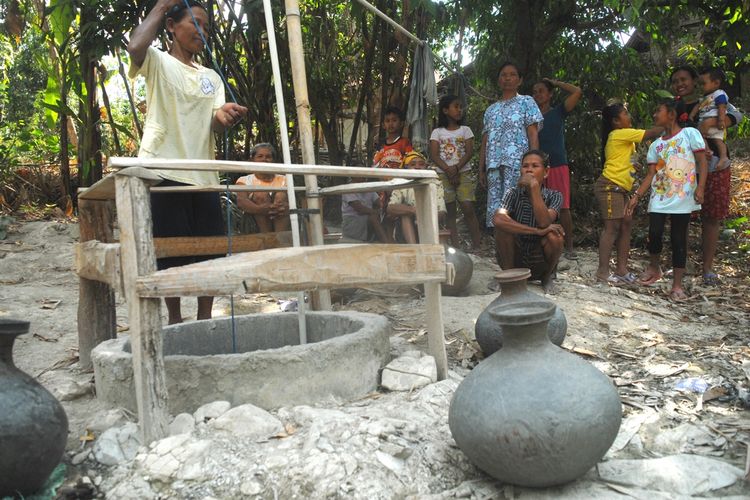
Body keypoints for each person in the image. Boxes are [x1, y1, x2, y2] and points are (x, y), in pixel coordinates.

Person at [128, 0, 248, 324]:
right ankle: (175, 321)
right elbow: (136, 44)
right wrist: (162, 5)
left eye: (206, 27)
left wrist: (226, 116)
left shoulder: (211, 77)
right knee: (171, 252)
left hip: (204, 175)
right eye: (195, 23)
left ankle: (204, 321)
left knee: (210, 250)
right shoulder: (156, 61)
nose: (201, 31)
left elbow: (215, 120)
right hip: (164, 171)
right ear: (171, 26)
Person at [626, 99, 707, 301]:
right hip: (660, 196)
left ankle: (677, 285)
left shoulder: (690, 134)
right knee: (654, 233)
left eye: (658, 110)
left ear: (671, 114)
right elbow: (651, 174)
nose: (654, 115)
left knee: (678, 239)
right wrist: (637, 196)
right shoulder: (656, 145)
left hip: (683, 196)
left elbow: (702, 162)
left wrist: (701, 187)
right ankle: (654, 267)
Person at [670, 65, 743, 286]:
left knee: (712, 216)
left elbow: (736, 115)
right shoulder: (673, 106)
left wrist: (714, 121)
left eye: (684, 79)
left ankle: (708, 268)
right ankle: (679, 265)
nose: (679, 84)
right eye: (675, 81)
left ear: (696, 81)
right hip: (684, 166)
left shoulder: (712, 100)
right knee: (680, 216)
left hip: (714, 165)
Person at [479, 61, 543, 265]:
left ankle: (522, 262)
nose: (507, 78)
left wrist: (534, 165)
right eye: (504, 75)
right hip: (494, 167)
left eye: (512, 74)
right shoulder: (491, 110)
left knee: (515, 211)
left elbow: (532, 133)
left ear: (520, 80)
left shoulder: (526, 102)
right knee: (497, 214)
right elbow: (485, 140)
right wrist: (481, 167)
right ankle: (504, 263)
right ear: (499, 80)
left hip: (517, 164)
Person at [595, 102, 661, 284]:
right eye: (625, 113)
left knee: (625, 226)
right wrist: (670, 122)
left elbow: (623, 160)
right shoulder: (619, 134)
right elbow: (651, 134)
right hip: (610, 185)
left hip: (621, 187)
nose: (629, 115)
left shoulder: (624, 138)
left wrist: (633, 166)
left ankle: (622, 270)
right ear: (616, 121)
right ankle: (602, 272)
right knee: (611, 228)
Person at [492, 150, 564, 294]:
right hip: (515, 257)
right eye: (525, 166)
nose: (529, 169)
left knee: (555, 235)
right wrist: (536, 231)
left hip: (540, 259)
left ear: (546, 172)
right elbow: (498, 219)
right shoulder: (512, 193)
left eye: (535, 166)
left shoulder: (554, 195)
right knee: (502, 229)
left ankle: (546, 278)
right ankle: (508, 276)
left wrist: (534, 189)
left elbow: (544, 222)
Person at [532, 78, 582, 258]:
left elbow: (576, 91)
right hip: (537, 166)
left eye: (542, 91)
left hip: (558, 164)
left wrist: (555, 82)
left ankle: (569, 248)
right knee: (538, 205)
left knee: (563, 207)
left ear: (550, 94)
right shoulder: (530, 118)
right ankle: (542, 243)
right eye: (535, 91)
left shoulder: (558, 112)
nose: (538, 95)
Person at [429, 94, 482, 250]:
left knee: (468, 208)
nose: (460, 110)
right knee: (450, 211)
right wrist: (448, 170)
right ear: (445, 110)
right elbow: (434, 154)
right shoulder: (437, 132)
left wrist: (456, 168)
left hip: (463, 172)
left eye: (461, 107)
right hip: (443, 175)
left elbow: (469, 152)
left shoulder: (466, 130)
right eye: (456, 106)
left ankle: (477, 245)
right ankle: (456, 247)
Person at [386, 151, 447, 244]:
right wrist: (415, 210)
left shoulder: (435, 183)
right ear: (406, 167)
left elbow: (441, 211)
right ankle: (414, 248)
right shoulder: (400, 183)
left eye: (421, 164)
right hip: (404, 230)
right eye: (413, 164)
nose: (417, 167)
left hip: (430, 225)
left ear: (426, 167)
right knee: (405, 215)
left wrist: (424, 218)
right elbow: (390, 208)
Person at [235, 143, 290, 233]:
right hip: (255, 222)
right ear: (252, 160)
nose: (264, 159)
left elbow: (293, 200)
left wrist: (279, 207)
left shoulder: (284, 179)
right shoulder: (244, 180)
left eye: (268, 157)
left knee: (281, 195)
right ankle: (267, 239)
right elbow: (241, 202)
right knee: (261, 194)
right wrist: (261, 209)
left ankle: (280, 239)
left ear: (273, 161)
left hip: (282, 216)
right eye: (260, 156)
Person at [689, 67, 731, 169]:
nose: (700, 86)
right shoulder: (704, 97)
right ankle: (708, 151)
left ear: (716, 83)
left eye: (703, 84)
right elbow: (698, 106)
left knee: (718, 140)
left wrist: (721, 120)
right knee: (703, 137)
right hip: (703, 122)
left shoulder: (719, 94)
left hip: (715, 122)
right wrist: (691, 115)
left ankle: (723, 157)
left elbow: (722, 106)